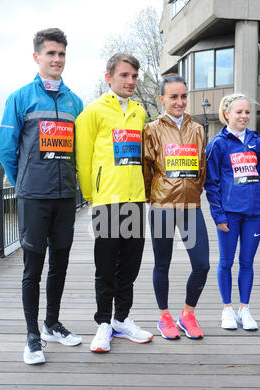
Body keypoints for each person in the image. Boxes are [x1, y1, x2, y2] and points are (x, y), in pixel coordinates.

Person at [0, 28, 83, 365]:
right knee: (33, 267)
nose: (57, 60)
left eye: (61, 54)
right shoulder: (19, 98)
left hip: (65, 198)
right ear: (37, 57)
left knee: (59, 265)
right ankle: (32, 336)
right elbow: (6, 149)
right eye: (51, 54)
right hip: (33, 196)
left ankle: (51, 324)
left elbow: (80, 150)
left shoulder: (75, 101)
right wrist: (24, 182)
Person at [75, 53, 153, 353]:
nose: (131, 81)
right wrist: (91, 196)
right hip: (106, 201)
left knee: (130, 267)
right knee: (105, 267)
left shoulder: (139, 112)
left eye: (134, 76)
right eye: (124, 75)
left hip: (135, 200)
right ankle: (103, 324)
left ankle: (122, 319)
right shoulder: (93, 112)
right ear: (109, 77)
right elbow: (82, 157)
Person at [143, 75, 209, 340]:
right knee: (163, 263)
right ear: (162, 99)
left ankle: (188, 314)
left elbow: (202, 166)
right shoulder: (152, 129)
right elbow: (145, 167)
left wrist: (195, 190)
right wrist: (153, 196)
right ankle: (164, 317)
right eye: (173, 97)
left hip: (191, 206)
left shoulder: (198, 129)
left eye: (183, 96)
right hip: (162, 206)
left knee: (202, 263)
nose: (179, 102)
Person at [205, 93, 260, 331]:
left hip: (254, 213)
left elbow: (258, 169)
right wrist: (218, 215)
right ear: (227, 113)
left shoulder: (255, 141)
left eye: (247, 112)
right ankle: (227, 309)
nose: (244, 116)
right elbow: (211, 183)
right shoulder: (218, 144)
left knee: (248, 262)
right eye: (239, 112)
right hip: (229, 214)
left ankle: (244, 309)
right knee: (227, 262)